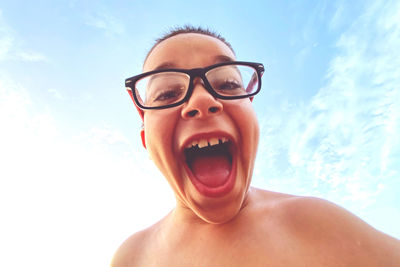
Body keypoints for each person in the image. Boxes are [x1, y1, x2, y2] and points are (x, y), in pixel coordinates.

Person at [111, 26, 400, 267]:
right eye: (167, 93)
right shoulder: (133, 257)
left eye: (226, 84)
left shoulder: (319, 225)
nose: (202, 101)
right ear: (146, 140)